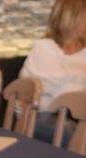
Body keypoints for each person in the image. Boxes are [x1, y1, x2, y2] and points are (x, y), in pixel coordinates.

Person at [20, 0, 86, 144]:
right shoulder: (44, 49)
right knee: (72, 133)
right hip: (42, 116)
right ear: (72, 17)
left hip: (79, 118)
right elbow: (60, 93)